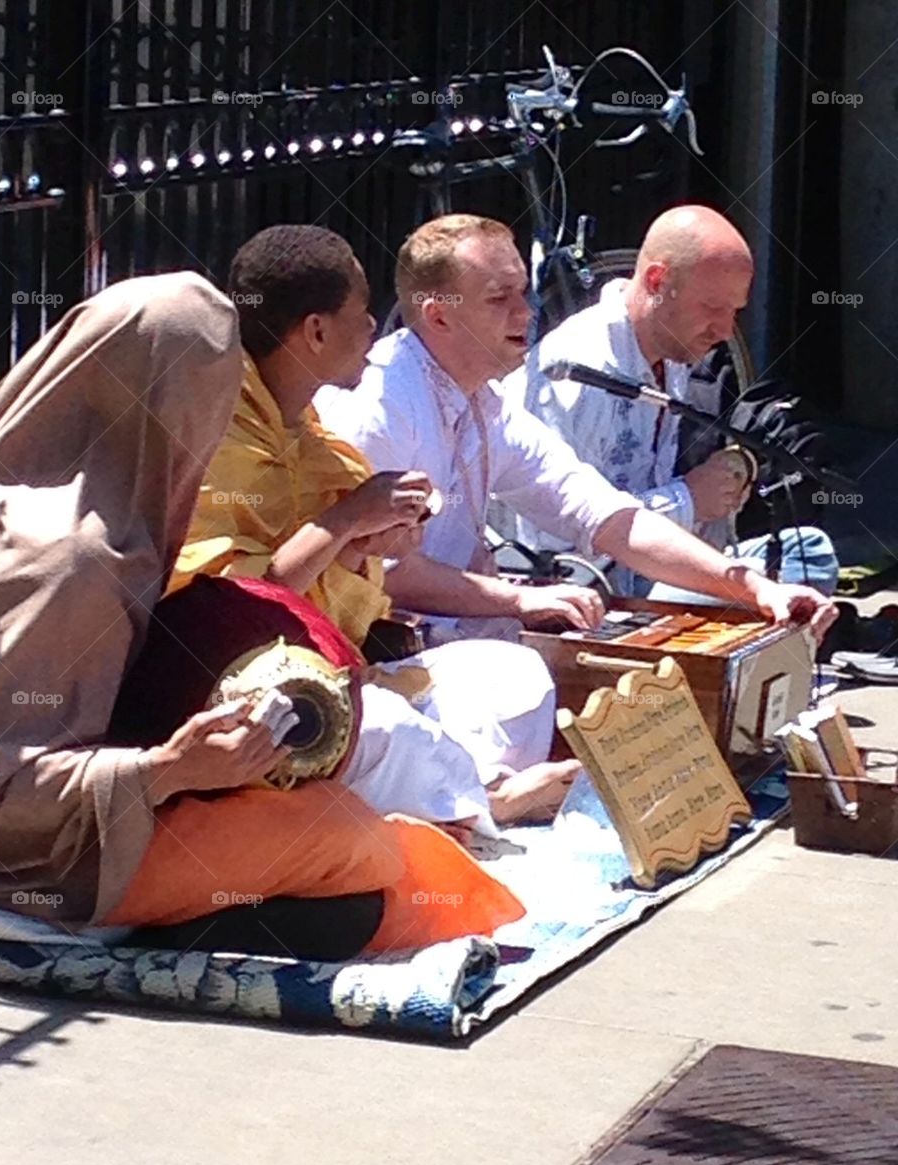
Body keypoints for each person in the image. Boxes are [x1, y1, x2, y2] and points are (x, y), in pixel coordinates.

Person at [0, 271, 524, 959]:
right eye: (213, 396)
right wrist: (169, 769)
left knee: (345, 818)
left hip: (83, 803)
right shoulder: (70, 559)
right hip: (16, 863)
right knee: (358, 850)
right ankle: (142, 936)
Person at [174, 225, 580, 831]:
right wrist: (343, 521)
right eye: (361, 315)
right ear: (315, 331)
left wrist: (366, 542)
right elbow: (237, 613)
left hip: (342, 671)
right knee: (390, 732)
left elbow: (333, 590)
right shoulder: (221, 440)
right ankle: (482, 803)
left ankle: (457, 798)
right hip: (249, 700)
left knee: (510, 672)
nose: (374, 329)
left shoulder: (308, 428)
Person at [314, 213, 837, 643]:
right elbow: (383, 572)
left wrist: (753, 589)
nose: (527, 312)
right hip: (389, 649)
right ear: (440, 316)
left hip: (479, 627)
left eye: (523, 292)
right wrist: (520, 599)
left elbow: (599, 511)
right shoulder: (380, 406)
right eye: (500, 299)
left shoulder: (484, 402)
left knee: (800, 561)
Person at [502, 204, 840, 600]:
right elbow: (551, 545)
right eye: (713, 308)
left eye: (735, 312)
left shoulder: (673, 352)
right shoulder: (574, 373)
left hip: (653, 568)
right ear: (657, 281)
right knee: (787, 582)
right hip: (589, 593)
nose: (724, 330)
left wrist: (729, 478)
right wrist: (689, 499)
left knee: (808, 552)